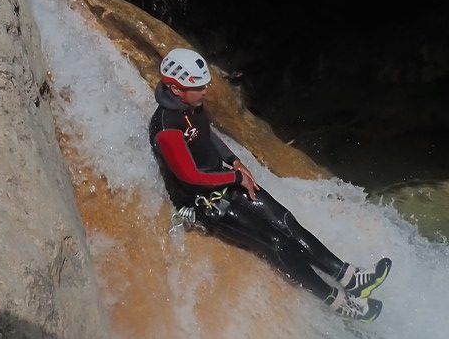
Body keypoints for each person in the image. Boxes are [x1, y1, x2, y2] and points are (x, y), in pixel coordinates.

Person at [149, 48, 391, 322]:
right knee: (277, 242)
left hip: (225, 180)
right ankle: (337, 302)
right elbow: (190, 177)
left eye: (204, 84)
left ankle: (350, 277)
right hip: (206, 202)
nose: (205, 91)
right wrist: (234, 177)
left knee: (285, 222)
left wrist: (234, 160)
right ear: (175, 89)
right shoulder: (167, 128)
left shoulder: (190, 105)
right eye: (197, 87)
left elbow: (207, 135)